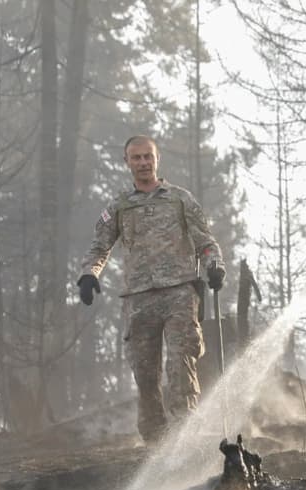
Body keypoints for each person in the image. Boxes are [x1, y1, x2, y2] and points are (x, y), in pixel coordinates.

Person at [77, 135, 226, 444]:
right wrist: (89, 275)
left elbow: (205, 241)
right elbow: (99, 247)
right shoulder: (119, 207)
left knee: (180, 368)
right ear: (127, 162)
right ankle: (155, 449)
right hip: (139, 300)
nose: (143, 163)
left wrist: (214, 265)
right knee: (145, 377)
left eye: (148, 157)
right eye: (136, 158)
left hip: (179, 295)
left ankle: (185, 442)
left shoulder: (180, 199)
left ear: (157, 160)